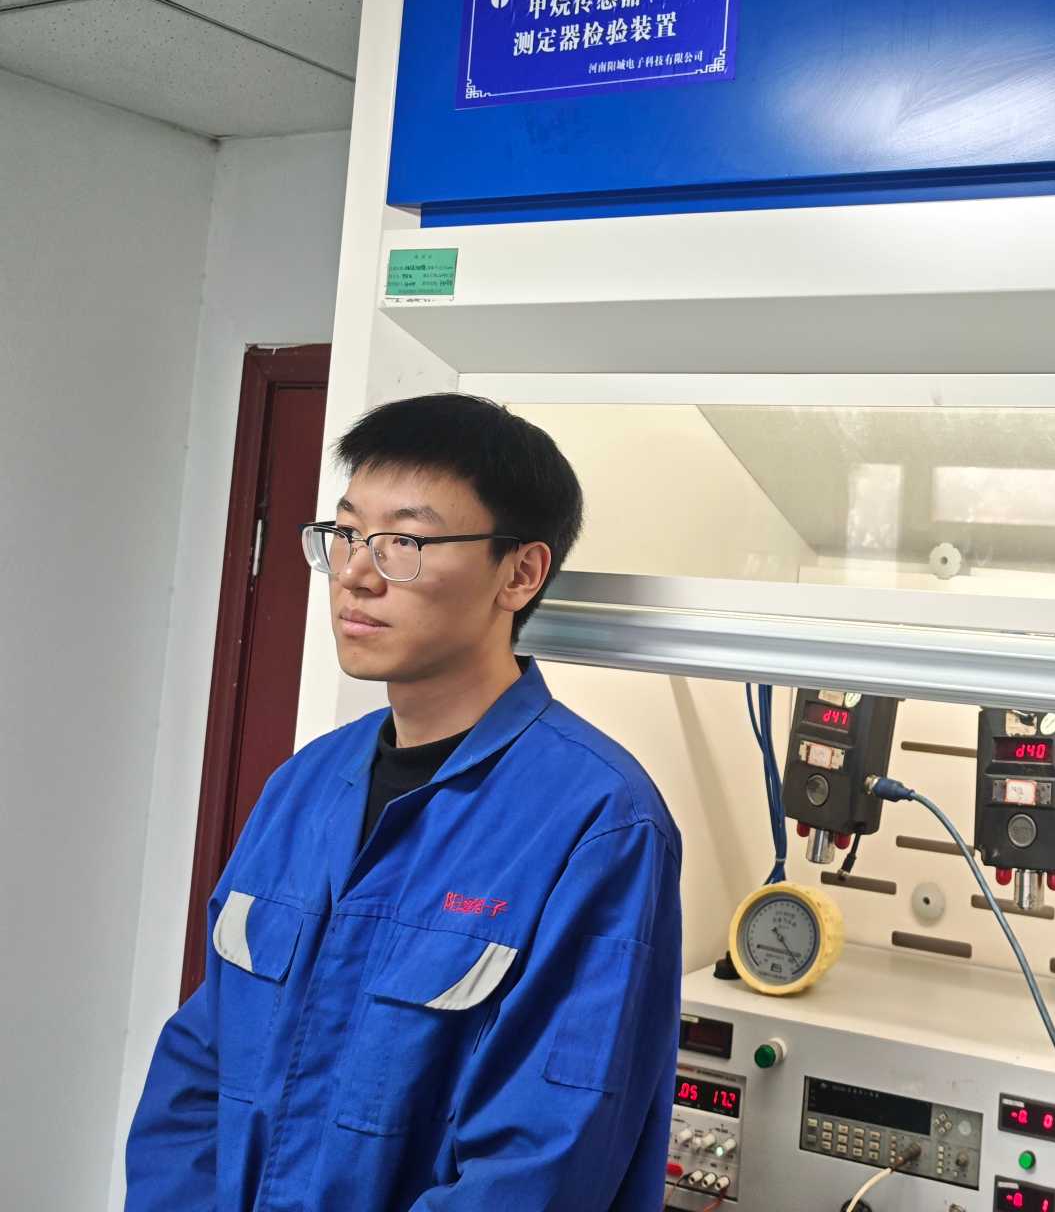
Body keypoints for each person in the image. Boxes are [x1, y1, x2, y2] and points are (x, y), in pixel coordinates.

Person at [127, 393, 682, 1211]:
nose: (356, 574)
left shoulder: (598, 824)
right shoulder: (304, 788)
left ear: (520, 573)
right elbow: (196, 1077)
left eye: (405, 543)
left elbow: (539, 1164)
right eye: (348, 533)